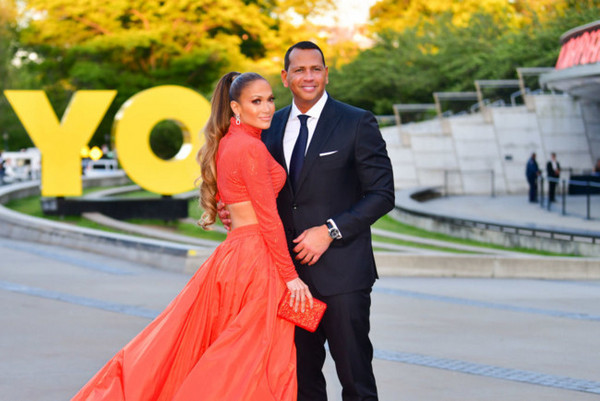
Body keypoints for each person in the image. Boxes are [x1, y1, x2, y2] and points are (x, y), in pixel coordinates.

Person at [71, 72, 313, 401]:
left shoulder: (227, 143)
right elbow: (268, 217)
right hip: (257, 258)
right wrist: (291, 277)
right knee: (253, 359)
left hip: (234, 255)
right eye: (256, 101)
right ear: (236, 107)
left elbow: (234, 204)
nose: (267, 107)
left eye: (270, 99)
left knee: (226, 351)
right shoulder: (250, 148)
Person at [222, 41, 394, 401]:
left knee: (356, 379)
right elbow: (260, 186)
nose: (308, 76)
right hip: (287, 279)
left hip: (343, 275)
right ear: (285, 77)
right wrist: (235, 210)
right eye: (299, 69)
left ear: (326, 74)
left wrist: (330, 231)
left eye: (316, 68)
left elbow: (382, 194)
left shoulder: (356, 122)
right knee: (301, 381)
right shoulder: (268, 124)